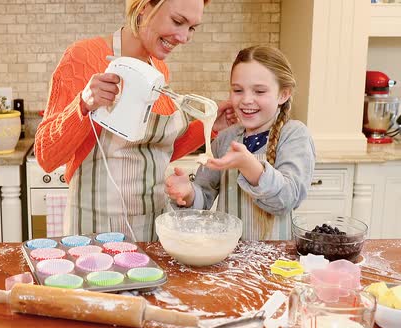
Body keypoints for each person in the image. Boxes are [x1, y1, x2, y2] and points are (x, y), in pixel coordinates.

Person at [34, 0, 236, 241]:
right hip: (95, 232)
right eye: (178, 21)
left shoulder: (158, 69)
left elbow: (153, 152)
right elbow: (46, 156)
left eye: (192, 28)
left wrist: (212, 127)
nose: (183, 37)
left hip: (153, 226)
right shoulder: (83, 58)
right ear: (143, 7)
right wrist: (84, 103)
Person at [165, 45, 316, 240]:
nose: (246, 100)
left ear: (283, 94)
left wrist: (248, 165)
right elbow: (204, 198)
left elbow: (287, 199)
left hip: (275, 261)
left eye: (259, 91)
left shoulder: (294, 135)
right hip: (227, 255)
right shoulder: (226, 138)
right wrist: (188, 194)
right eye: (237, 90)